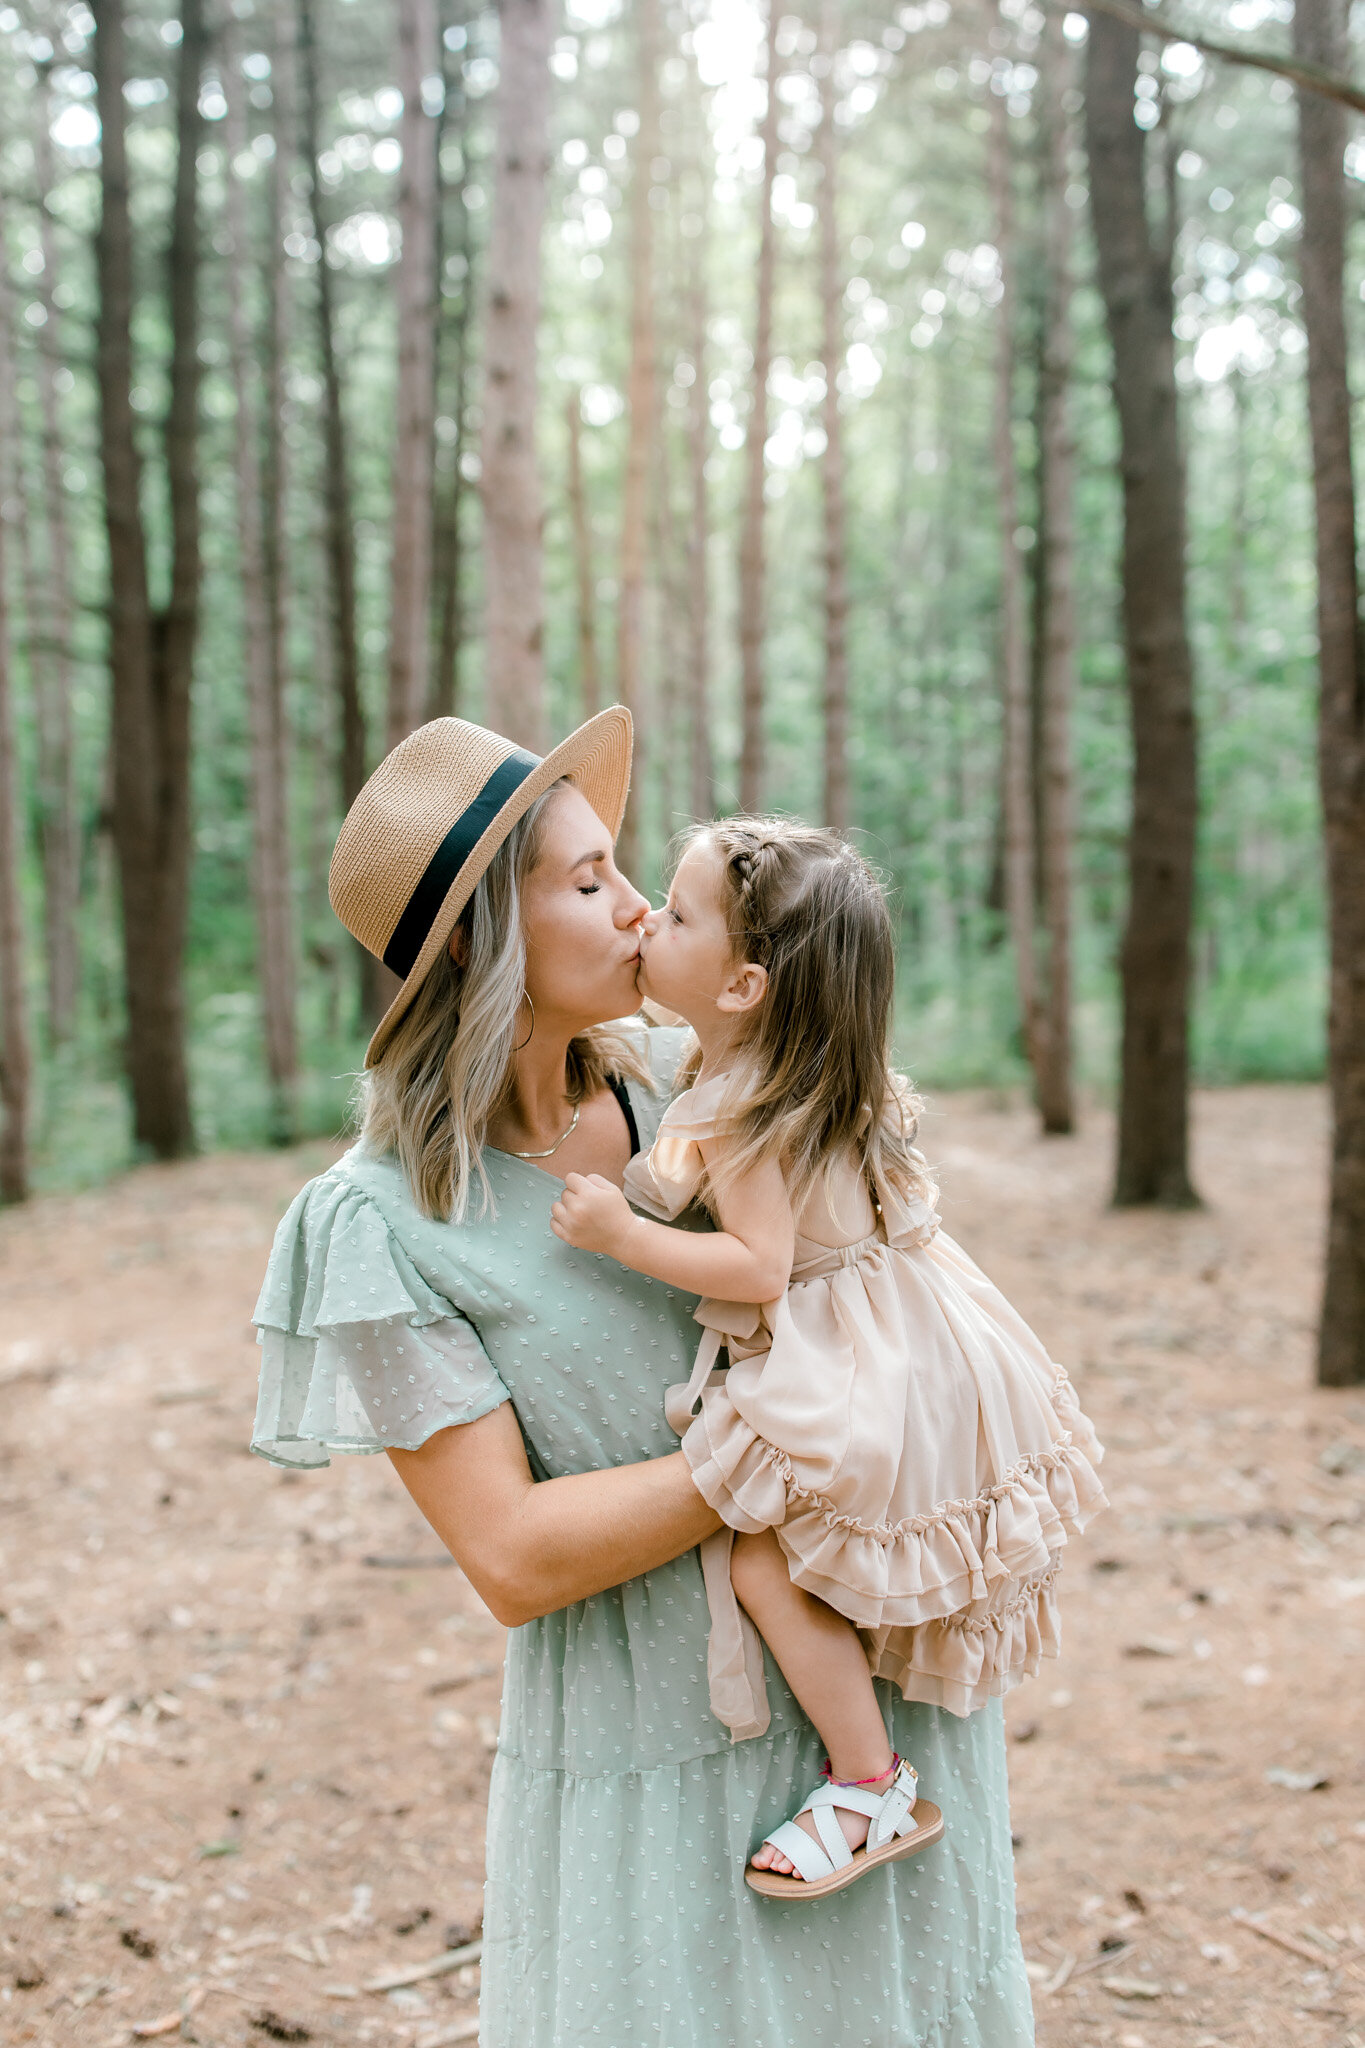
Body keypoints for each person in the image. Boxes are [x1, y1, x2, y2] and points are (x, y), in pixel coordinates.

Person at [251, 710, 1038, 2046]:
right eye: (587, 881)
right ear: (476, 944)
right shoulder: (373, 1229)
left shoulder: (706, 1078)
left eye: (627, 876)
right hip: (652, 1751)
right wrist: (776, 1448)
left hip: (868, 1706)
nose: (633, 915)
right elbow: (512, 1557)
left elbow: (894, 1282)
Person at [550, 818, 1106, 1899]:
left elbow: (758, 1265)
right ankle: (872, 1764)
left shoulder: (747, 1107)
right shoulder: (801, 1067)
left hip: (858, 1348)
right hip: (920, 1327)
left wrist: (622, 1232)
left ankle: (869, 1783)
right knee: (820, 1547)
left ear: (746, 984)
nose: (642, 919)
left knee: (766, 1557)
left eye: (672, 914)